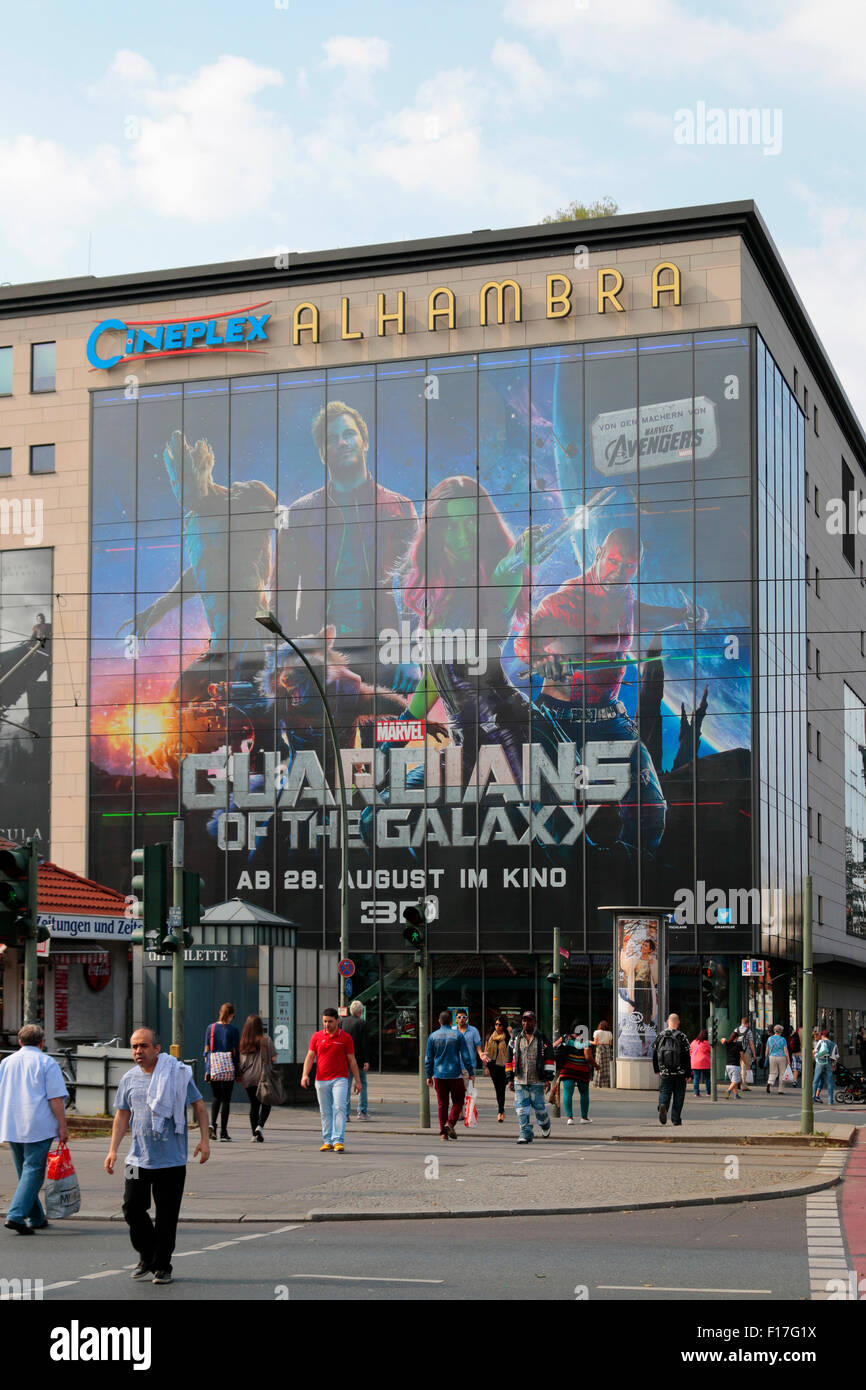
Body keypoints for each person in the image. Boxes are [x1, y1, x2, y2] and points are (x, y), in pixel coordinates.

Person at [277, 401, 419, 744]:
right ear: (322, 452)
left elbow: (419, 592)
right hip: (324, 659)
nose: (342, 442)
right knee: (326, 756)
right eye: (331, 439)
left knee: (388, 758)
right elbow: (280, 594)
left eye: (349, 434)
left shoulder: (400, 509)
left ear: (364, 441)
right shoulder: (299, 514)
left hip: (383, 654)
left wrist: (410, 654)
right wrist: (294, 658)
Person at [106, 1027, 209, 1286]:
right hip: (136, 1159)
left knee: (166, 1215)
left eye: (143, 1046)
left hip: (171, 1160)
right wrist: (112, 1150)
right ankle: (147, 1255)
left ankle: (162, 1266)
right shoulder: (129, 1078)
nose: (138, 1051)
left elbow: (198, 1105)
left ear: (157, 1049)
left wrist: (205, 1141)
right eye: (134, 1047)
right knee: (131, 1207)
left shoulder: (177, 1075)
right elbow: (121, 1116)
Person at [0, 1024, 68, 1234]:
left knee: (25, 1172)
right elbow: (55, 1098)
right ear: (42, 1042)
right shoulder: (46, 1062)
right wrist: (62, 1126)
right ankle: (16, 1215)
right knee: (34, 1172)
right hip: (38, 1125)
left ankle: (36, 1217)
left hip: (12, 1124)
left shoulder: (6, 1062)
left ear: (20, 1042)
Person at [300, 1008, 362, 1152]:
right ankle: (327, 1140)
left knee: (340, 1107)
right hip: (321, 1080)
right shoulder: (316, 1036)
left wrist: (357, 1080)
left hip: (340, 1079)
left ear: (337, 1021)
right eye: (324, 1021)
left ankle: (338, 1140)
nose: (327, 1025)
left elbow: (352, 1060)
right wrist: (305, 1075)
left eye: (330, 1022)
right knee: (325, 1111)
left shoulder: (346, 1038)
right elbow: (310, 1057)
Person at [505, 1010, 555, 1144]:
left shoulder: (543, 1039)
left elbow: (550, 1059)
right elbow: (509, 1058)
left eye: (529, 1020)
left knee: (539, 1109)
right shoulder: (515, 1038)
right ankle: (525, 1134)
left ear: (535, 1022)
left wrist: (548, 1079)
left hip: (537, 1080)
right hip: (520, 1080)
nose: (526, 1023)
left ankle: (545, 1124)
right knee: (522, 1109)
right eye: (524, 1020)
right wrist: (509, 1078)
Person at [425, 1010, 475, 1140]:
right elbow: (465, 1056)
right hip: (455, 1074)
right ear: (452, 1021)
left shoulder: (433, 1036)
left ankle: (443, 1133)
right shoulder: (458, 1035)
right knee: (458, 1101)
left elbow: (429, 1058)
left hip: (439, 1074)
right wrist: (470, 1072)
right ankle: (450, 1123)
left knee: (442, 1104)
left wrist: (428, 1075)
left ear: (439, 1021)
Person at [203, 1002, 240, 1142]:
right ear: (231, 1015)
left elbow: (206, 1050)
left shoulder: (210, 1028)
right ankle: (224, 1132)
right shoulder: (233, 1030)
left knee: (217, 1098)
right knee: (226, 1100)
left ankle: (212, 1125)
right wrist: (237, 1070)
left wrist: (207, 1069)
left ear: (220, 1012)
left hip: (214, 1067)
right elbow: (236, 1052)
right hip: (228, 1067)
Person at [237, 1015, 277, 1142]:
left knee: (254, 1105)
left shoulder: (244, 1042)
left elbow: (241, 1062)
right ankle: (259, 1127)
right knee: (266, 1103)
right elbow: (273, 1058)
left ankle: (254, 1135)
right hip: (263, 1076)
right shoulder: (266, 1039)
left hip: (248, 1077)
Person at [652, 1013, 692, 1125]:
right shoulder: (682, 1036)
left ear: (667, 1021)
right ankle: (676, 1119)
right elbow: (686, 1056)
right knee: (679, 1095)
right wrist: (688, 1073)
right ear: (678, 1022)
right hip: (680, 1072)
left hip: (665, 1071)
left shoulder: (660, 1035)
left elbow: (655, 1053)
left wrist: (657, 1068)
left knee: (665, 1091)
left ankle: (663, 1105)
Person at [554, 1022, 595, 1124]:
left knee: (568, 1093)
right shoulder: (585, 1041)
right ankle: (584, 1118)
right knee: (584, 1093)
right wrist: (596, 1065)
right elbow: (588, 1057)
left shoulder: (565, 1038)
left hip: (568, 1069)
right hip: (582, 1070)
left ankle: (570, 1118)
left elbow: (553, 1046)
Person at [341, 1001, 371, 1120]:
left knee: (346, 1086)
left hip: (345, 1059)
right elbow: (365, 1044)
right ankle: (362, 1112)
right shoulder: (362, 1023)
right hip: (358, 1060)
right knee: (362, 1084)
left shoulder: (343, 1022)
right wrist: (366, 1060)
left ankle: (346, 1114)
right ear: (360, 1012)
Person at [483, 1017, 510, 1122]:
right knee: (497, 1089)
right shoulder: (490, 1037)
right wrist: (485, 1067)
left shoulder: (507, 1037)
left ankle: (500, 1111)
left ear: (503, 1026)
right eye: (496, 1024)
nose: (498, 1027)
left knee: (501, 1089)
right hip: (493, 1065)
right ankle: (501, 1110)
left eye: (500, 1024)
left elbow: (511, 1053)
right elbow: (485, 1052)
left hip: (503, 1066)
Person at [813, 1029, 839, 1105]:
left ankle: (813, 1098)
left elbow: (815, 1051)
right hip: (829, 1062)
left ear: (822, 1035)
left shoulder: (821, 1042)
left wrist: (814, 1058)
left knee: (816, 1080)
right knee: (830, 1082)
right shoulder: (834, 1044)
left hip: (820, 1062)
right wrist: (834, 1065)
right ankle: (830, 1101)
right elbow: (836, 1056)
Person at [765, 1024, 791, 1093]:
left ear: (774, 1031)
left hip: (772, 1057)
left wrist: (766, 1056)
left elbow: (767, 1049)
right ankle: (780, 1090)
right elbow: (786, 1051)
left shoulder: (770, 1039)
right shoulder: (783, 1039)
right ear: (781, 1031)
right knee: (782, 1073)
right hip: (781, 1057)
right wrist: (788, 1060)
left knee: (773, 1072)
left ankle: (770, 1083)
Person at [689, 1029, 711, 1097]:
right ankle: (708, 1092)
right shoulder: (707, 1043)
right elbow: (711, 1050)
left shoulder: (693, 1042)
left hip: (695, 1063)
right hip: (705, 1062)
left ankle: (696, 1093)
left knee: (696, 1078)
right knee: (707, 1078)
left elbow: (690, 1052)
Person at [737, 1017, 756, 1091]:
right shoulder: (749, 1031)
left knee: (738, 1067)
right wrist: (754, 1053)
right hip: (746, 1052)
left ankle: (737, 1082)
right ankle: (744, 1085)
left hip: (737, 1051)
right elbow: (751, 1043)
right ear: (747, 1023)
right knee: (744, 1068)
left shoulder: (736, 1030)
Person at [722, 1032, 744, 1098]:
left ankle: (736, 1095)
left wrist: (724, 1039)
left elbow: (722, 1040)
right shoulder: (739, 1045)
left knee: (734, 1081)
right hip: (735, 1066)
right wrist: (746, 1064)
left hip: (728, 1066)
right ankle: (728, 1091)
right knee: (736, 1081)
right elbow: (742, 1056)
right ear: (736, 1038)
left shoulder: (727, 1043)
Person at [592, 1020, 613, 1088]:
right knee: (606, 1067)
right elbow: (610, 1043)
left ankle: (597, 1083)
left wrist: (589, 1041)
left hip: (600, 1048)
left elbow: (595, 1043)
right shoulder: (609, 1033)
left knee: (598, 1065)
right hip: (607, 1049)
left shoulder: (597, 1032)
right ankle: (607, 1083)